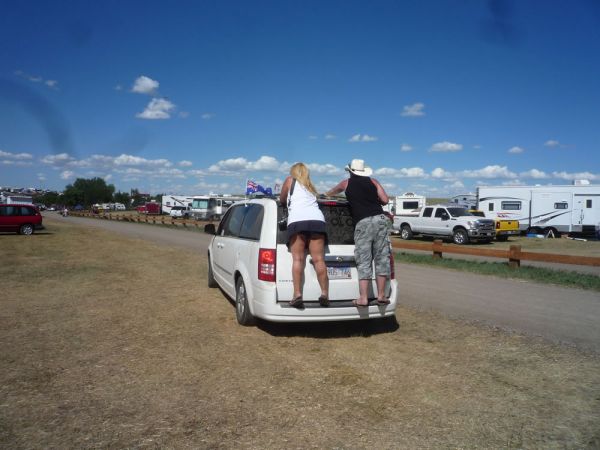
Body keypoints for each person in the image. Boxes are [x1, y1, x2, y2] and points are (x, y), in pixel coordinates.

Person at [325, 159, 391, 307]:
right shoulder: (373, 182)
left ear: (350, 171)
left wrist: (324, 194)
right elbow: (385, 200)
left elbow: (331, 192)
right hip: (380, 219)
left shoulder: (346, 183)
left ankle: (363, 298)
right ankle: (381, 295)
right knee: (382, 257)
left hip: (363, 222)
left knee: (364, 259)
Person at [279, 162, 329, 308]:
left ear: (293, 172)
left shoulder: (289, 181)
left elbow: (282, 199)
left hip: (297, 221)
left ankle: (297, 294)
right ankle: (324, 293)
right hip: (317, 221)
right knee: (319, 259)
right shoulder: (310, 185)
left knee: (298, 259)